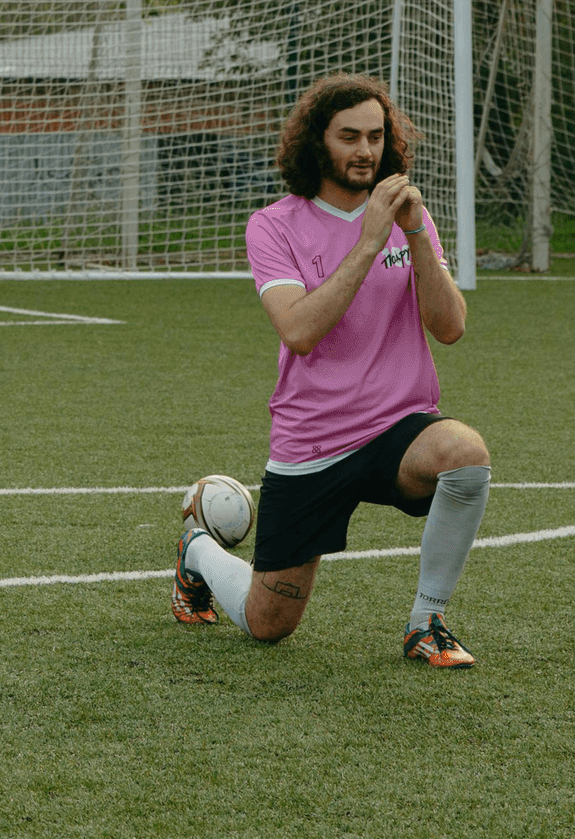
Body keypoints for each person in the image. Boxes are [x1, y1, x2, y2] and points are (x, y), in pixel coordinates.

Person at [176, 73, 488, 667]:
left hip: (399, 427)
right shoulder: (274, 225)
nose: (365, 151)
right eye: (349, 137)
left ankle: (428, 622)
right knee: (270, 626)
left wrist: (415, 231)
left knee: (464, 451)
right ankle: (197, 550)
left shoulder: (409, 218)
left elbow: (449, 328)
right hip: (313, 440)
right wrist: (368, 240)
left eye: (375, 136)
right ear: (318, 143)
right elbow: (298, 330)